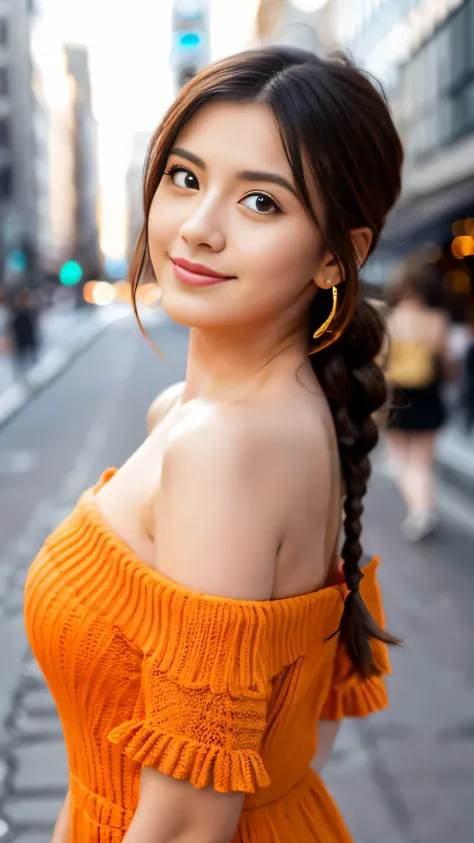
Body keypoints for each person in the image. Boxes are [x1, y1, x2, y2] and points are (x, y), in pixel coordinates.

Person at [24, 47, 403, 843]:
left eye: (261, 202)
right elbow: (308, 732)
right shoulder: (242, 414)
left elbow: (190, 822)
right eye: (186, 178)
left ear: (339, 254)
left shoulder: (221, 450)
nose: (198, 228)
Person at [385, 257, 450, 541]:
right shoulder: (437, 320)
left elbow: (380, 366)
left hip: (398, 396)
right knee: (422, 461)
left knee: (399, 458)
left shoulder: (390, 320)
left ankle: (419, 510)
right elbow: (447, 366)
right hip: (429, 394)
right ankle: (424, 507)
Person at [6, 287, 40, 379]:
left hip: (28, 342)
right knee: (23, 365)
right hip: (22, 343)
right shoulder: (18, 314)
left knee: (30, 365)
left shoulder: (29, 312)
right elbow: (13, 330)